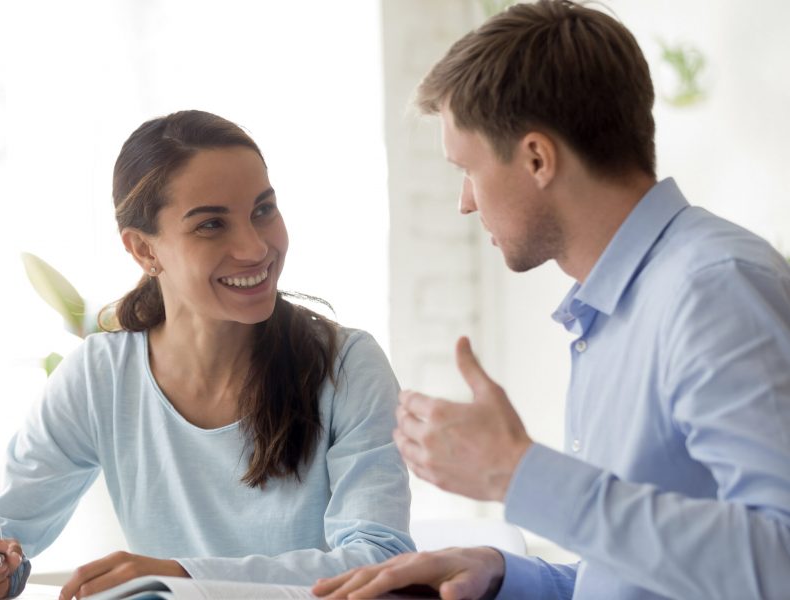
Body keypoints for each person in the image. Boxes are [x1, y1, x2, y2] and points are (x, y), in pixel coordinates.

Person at [314, 1, 790, 599]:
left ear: (537, 158)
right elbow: (650, 581)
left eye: (469, 169)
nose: (465, 201)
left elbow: (778, 560)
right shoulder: (614, 310)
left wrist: (517, 474)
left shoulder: (713, 288)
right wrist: (505, 574)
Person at [0, 110, 415, 599]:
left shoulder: (347, 366)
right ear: (144, 250)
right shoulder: (102, 377)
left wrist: (178, 575)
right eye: (211, 225)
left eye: (263, 210)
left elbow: (379, 558)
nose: (254, 248)